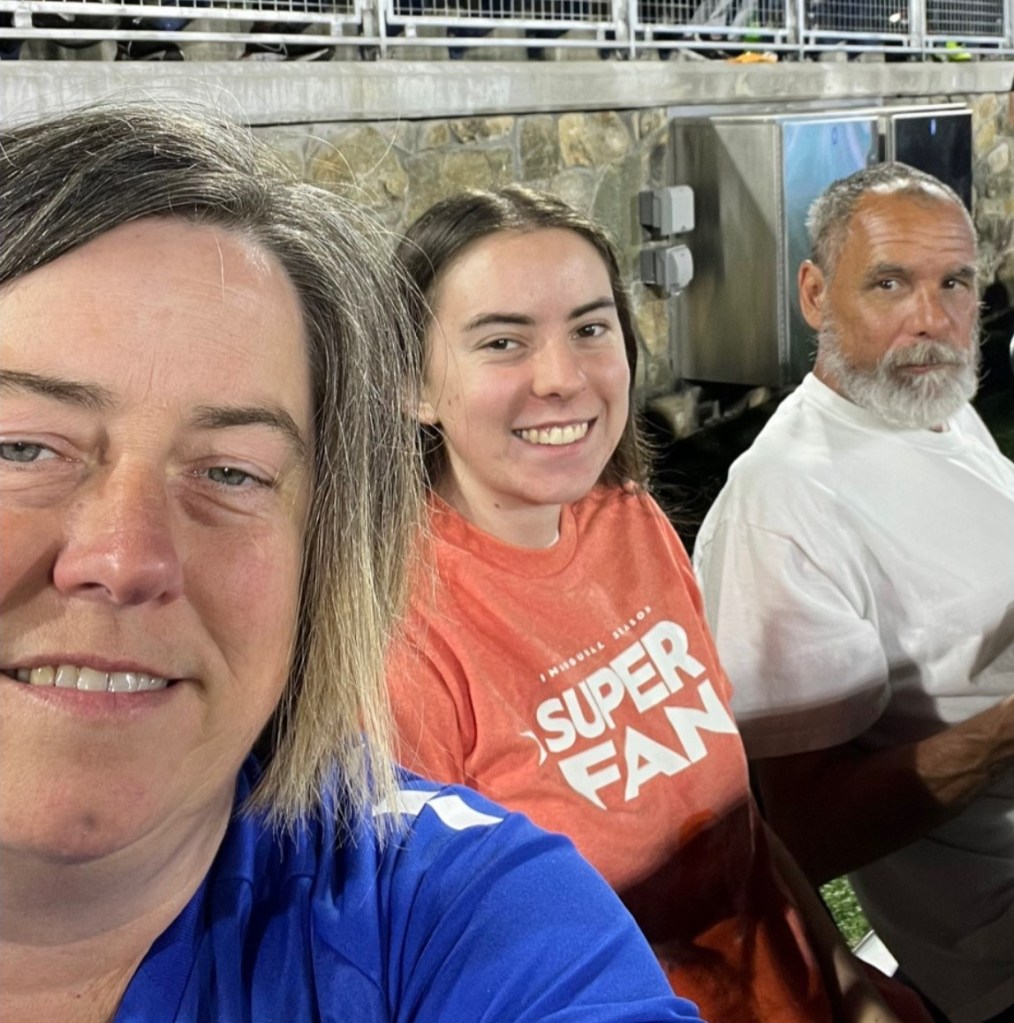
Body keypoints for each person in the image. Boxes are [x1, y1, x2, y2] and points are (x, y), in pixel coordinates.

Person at [0, 104, 706, 1023]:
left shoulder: (633, 526)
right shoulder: (411, 657)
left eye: (230, 471)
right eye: (20, 448)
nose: (124, 557)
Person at [386, 184, 933, 1023]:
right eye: (502, 341)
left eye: (590, 327)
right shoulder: (403, 643)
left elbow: (738, 820)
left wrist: (846, 977)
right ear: (411, 388)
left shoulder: (628, 520)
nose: (563, 378)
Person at [693, 162, 1014, 1023]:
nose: (932, 320)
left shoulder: (930, 400)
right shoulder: (783, 501)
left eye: (955, 283)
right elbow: (802, 832)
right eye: (889, 283)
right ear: (812, 293)